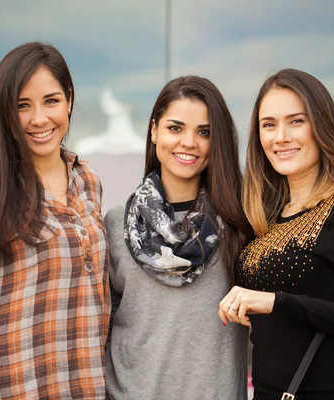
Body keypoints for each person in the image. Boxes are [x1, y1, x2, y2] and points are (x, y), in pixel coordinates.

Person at [0, 42, 110, 400]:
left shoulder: (87, 182)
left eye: (51, 101)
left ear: (70, 100)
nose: (39, 119)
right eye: (22, 106)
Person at [218, 68, 334, 400]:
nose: (280, 136)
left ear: (321, 127)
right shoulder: (267, 217)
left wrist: (277, 303)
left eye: (296, 121)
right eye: (268, 124)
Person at [105, 75, 253, 399]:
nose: (189, 142)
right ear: (154, 130)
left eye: (204, 132)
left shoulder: (239, 226)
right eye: (175, 128)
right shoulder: (116, 225)